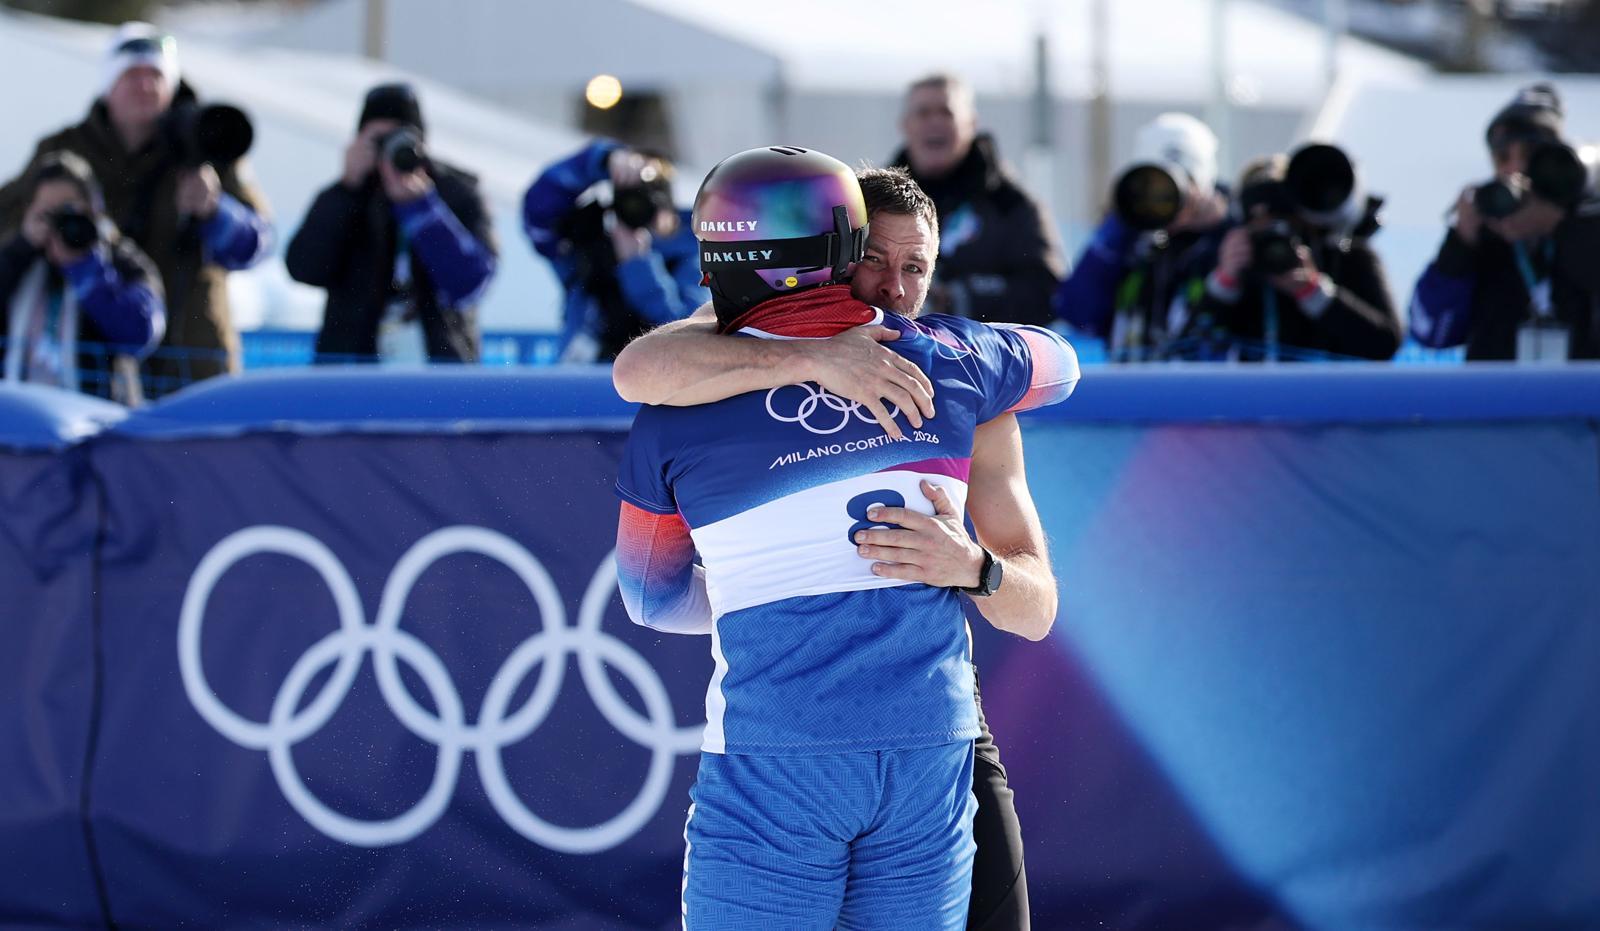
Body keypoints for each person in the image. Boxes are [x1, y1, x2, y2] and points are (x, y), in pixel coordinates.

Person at [615, 149, 1078, 929]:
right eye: (874, 261)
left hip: (783, 760)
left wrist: (970, 568)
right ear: (839, 251)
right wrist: (822, 352)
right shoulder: (958, 364)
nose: (896, 290)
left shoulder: (674, 408)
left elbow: (650, 597)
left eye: (916, 269)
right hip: (925, 747)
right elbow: (1059, 366)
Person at [0, 22, 270, 395]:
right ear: (108, 84)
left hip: (192, 359)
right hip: (87, 363)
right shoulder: (66, 150)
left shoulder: (208, 146)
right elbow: (8, 218)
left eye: (155, 75)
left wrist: (216, 212)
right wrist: (36, 234)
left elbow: (258, 245)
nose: (144, 86)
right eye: (131, 75)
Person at [285, 83, 496, 364]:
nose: (388, 151)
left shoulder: (456, 194)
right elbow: (304, 268)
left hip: (439, 368)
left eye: (399, 139)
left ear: (420, 143)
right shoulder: (349, 195)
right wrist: (347, 190)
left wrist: (421, 209)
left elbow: (471, 281)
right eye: (378, 141)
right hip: (354, 371)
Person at [1409, 83, 1600, 360]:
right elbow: (1430, 330)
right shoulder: (1484, 233)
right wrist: (1461, 243)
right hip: (1495, 399)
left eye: (1530, 155)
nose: (1515, 169)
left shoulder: (1588, 221)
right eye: (1502, 156)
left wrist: (1557, 228)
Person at [1054, 112, 1233, 361]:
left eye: (1183, 183)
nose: (1163, 200)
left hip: (1203, 390)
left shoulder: (1229, 239)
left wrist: (1221, 226)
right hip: (1136, 389)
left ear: (1204, 185)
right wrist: (1120, 222)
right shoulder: (1129, 243)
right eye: (1150, 187)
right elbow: (1077, 313)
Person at [890, 73, 1064, 327]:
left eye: (946, 113)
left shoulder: (1011, 204)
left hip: (982, 359)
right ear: (905, 125)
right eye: (923, 113)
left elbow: (1046, 293)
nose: (935, 123)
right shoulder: (876, 202)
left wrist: (959, 298)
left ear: (971, 124)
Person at [1194, 153, 1402, 361]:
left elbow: (1386, 344)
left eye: (1281, 220)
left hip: (1326, 392)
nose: (1271, 234)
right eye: (1257, 222)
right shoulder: (1235, 267)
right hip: (1252, 393)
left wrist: (1314, 292)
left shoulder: (1349, 257)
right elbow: (1183, 346)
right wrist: (1223, 283)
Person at [522, 140, 707, 362]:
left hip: (659, 388)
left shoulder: (696, 252)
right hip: (581, 385)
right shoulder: (588, 244)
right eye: (629, 200)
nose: (637, 211)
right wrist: (601, 160)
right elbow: (538, 212)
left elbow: (690, 335)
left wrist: (638, 264)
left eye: (647, 199)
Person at [0, 151, 164, 401]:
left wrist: (85, 268)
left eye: (69, 213)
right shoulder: (15, 261)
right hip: (17, 425)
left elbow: (140, 334)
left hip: (96, 422)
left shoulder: (123, 262)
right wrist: (20, 250)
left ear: (94, 210)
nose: (59, 225)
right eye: (48, 215)